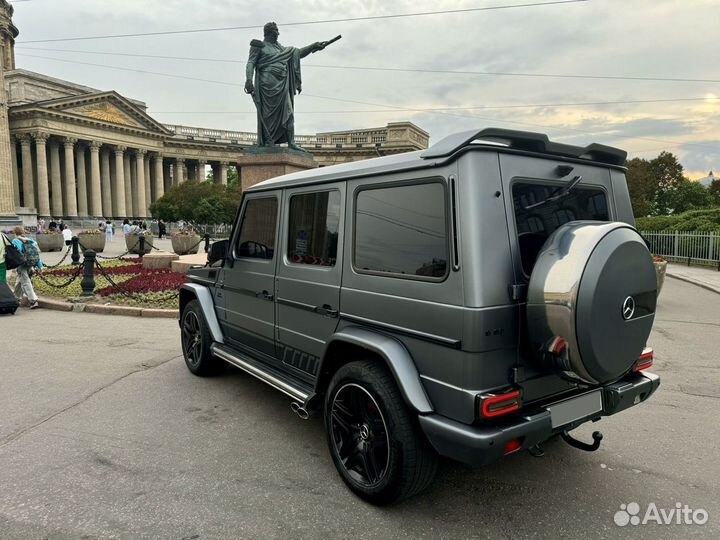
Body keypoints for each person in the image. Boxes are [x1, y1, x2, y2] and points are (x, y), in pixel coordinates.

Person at [245, 22, 331, 149]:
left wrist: (313, 46)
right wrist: (248, 80)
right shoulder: (259, 46)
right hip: (266, 86)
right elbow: (251, 63)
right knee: (268, 117)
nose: (278, 34)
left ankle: (292, 143)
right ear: (270, 33)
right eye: (276, 31)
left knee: (288, 112)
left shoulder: (280, 48)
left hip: (282, 85)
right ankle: (269, 142)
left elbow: (297, 53)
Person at [11, 227, 42, 309]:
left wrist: (13, 267)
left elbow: (16, 254)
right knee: (20, 282)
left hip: (22, 264)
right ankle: (15, 299)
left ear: (15, 233)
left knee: (25, 282)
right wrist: (40, 266)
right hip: (30, 263)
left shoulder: (15, 241)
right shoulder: (31, 241)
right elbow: (36, 254)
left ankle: (33, 300)